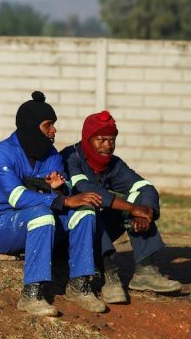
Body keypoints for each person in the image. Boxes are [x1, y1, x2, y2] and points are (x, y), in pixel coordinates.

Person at [0, 91, 106, 316]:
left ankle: (79, 285)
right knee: (43, 215)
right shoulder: (1, 153)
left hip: (41, 221)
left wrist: (59, 190)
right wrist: (63, 199)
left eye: (53, 125)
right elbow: (17, 198)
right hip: (0, 226)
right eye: (48, 125)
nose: (54, 130)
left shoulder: (51, 154)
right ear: (31, 126)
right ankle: (32, 294)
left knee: (85, 212)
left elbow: (57, 191)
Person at [61, 110, 182, 304]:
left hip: (97, 228)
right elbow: (85, 188)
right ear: (87, 139)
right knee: (89, 208)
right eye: (101, 140)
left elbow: (144, 187)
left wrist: (142, 212)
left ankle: (145, 270)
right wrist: (132, 208)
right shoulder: (69, 158)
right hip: (70, 234)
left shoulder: (113, 164)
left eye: (112, 140)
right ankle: (109, 275)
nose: (108, 146)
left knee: (139, 200)